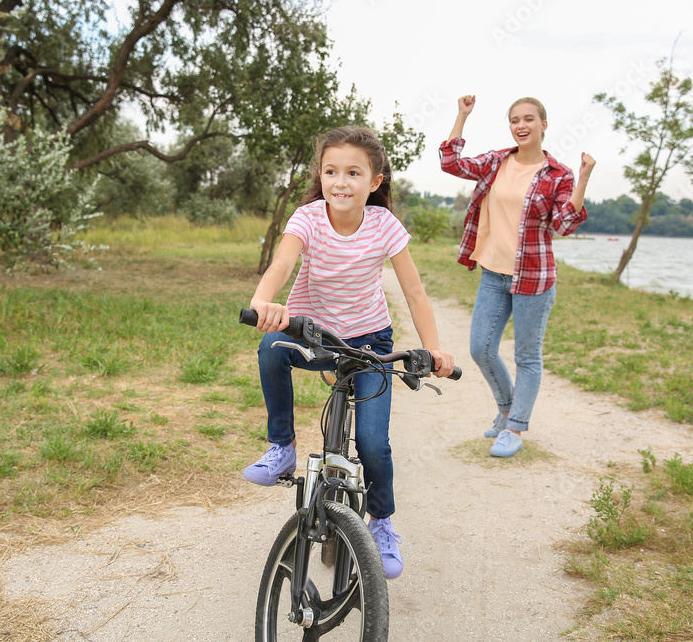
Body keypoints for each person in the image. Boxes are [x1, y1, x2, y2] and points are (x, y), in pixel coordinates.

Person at [243, 125, 456, 579]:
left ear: (374, 182)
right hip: (313, 335)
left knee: (374, 443)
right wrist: (265, 301)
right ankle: (281, 447)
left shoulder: (384, 225)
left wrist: (433, 349)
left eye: (353, 173)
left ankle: (381, 522)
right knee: (270, 348)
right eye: (331, 171)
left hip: (369, 343)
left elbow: (415, 293)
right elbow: (281, 264)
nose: (340, 182)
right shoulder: (308, 218)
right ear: (320, 176)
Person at [440, 95, 594, 458]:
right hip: (494, 273)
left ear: (543, 124)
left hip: (534, 279)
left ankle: (515, 428)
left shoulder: (558, 174)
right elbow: (451, 163)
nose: (521, 125)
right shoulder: (496, 161)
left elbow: (564, 225)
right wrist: (462, 115)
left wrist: (583, 178)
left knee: (527, 356)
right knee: (480, 348)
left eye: (528, 119)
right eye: (514, 120)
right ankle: (507, 409)